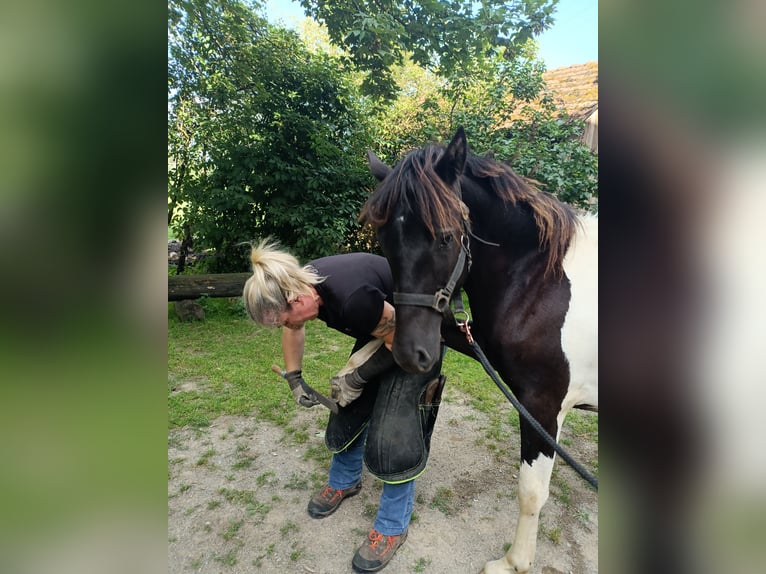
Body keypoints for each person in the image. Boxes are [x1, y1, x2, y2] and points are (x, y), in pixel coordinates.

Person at [242, 238, 445, 573]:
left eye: (285, 318)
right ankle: (345, 480)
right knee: (347, 408)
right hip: (387, 326)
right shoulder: (302, 287)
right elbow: (295, 327)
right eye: (281, 323)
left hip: (419, 337)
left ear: (297, 297)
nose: (288, 325)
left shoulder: (351, 299)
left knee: (396, 432)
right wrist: (294, 377)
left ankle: (393, 526)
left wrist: (357, 376)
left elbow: (403, 342)